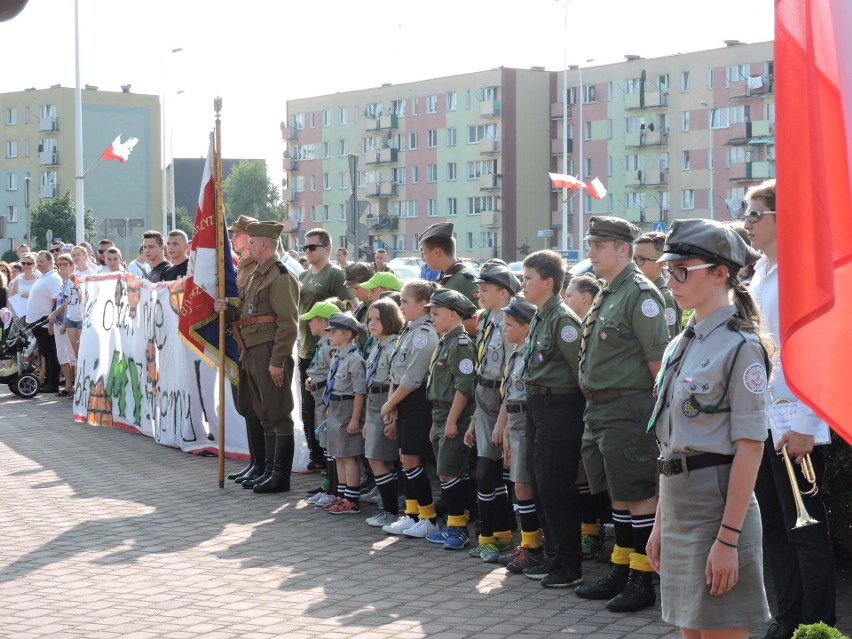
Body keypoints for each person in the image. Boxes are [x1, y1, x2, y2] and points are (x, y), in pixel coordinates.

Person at [646, 217, 772, 637]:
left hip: (717, 508)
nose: (671, 281)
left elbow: (751, 448)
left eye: (682, 271)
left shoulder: (741, 346)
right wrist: (661, 522)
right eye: (668, 271)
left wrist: (729, 539)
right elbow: (671, 446)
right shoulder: (681, 342)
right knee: (691, 632)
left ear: (721, 273)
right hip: (679, 504)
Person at [743, 180, 837, 639]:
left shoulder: (803, 272)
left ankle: (818, 626)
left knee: (808, 534)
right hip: (762, 422)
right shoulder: (758, 273)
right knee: (776, 531)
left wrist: (807, 424)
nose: (748, 222)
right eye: (746, 213)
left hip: (795, 423)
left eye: (756, 213)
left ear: (785, 218)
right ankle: (789, 619)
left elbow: (826, 354)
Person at [574, 216, 670, 612]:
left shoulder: (639, 293)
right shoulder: (608, 291)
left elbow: (657, 363)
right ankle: (622, 565)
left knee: (640, 495)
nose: (591, 252)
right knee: (619, 493)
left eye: (599, 246)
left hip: (629, 407)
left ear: (623, 249)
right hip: (602, 408)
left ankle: (642, 578)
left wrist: (660, 418)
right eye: (591, 245)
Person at [516, 250, 587, 588]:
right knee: (542, 484)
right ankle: (553, 555)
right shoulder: (542, 316)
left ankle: (568, 564)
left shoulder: (563, 320)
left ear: (548, 282)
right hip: (538, 405)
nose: (523, 284)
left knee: (557, 487)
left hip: (560, 409)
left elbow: (580, 372)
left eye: (529, 278)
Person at [217, 221, 300, 493]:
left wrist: (277, 361)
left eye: (252, 242)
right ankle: (266, 470)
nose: (247, 245)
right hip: (251, 349)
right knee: (264, 414)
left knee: (278, 413)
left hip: (268, 351)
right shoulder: (256, 275)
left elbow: (288, 323)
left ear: (264, 244)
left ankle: (280, 476)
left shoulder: (280, 276)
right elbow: (246, 313)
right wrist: (226, 309)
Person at [464, 261, 520, 562]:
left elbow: (513, 374)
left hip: (503, 401)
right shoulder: (486, 320)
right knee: (489, 470)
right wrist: (474, 418)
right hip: (484, 398)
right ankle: (498, 533)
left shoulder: (511, 322)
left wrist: (506, 419)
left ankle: (491, 535)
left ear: (503, 293)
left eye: (485, 290)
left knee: (489, 472)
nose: (479, 294)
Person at [380, 279, 441, 537]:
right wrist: (393, 405)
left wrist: (389, 403)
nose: (401, 305)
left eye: (405, 301)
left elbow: (413, 378)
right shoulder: (410, 330)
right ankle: (413, 514)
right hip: (403, 399)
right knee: (406, 459)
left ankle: (428, 518)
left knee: (412, 459)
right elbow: (397, 371)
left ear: (423, 304)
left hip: (418, 401)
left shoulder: (424, 335)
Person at [423, 288, 478, 550]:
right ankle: (460, 520)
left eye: (436, 313)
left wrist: (453, 421)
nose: (432, 318)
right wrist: (438, 422)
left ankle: (458, 529)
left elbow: (464, 387)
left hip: (455, 414)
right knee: (454, 472)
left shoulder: (461, 344)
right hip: (441, 412)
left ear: (454, 315)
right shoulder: (446, 341)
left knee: (447, 471)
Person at [298, 228, 356, 472]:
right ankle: (317, 455)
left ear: (327, 249)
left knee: (323, 407)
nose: (308, 251)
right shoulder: (303, 275)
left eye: (313, 247)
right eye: (305, 247)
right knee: (308, 408)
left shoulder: (334, 274)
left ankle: (328, 460)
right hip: (305, 346)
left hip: (325, 349)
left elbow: (352, 304)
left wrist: (340, 338)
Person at [491, 296, 542, 573]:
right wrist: (503, 425)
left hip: (526, 420)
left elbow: (525, 396)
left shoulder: (532, 352)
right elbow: (509, 394)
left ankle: (534, 547)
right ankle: (528, 543)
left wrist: (510, 425)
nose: (504, 329)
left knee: (524, 484)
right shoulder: (516, 352)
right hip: (515, 418)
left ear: (526, 326)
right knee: (518, 484)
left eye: (509, 324)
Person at [563, 271, 612, 560]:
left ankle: (605, 535)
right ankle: (590, 531)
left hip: (596, 407)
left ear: (584, 297)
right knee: (585, 474)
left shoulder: (588, 328)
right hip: (582, 411)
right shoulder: (581, 328)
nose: (565, 299)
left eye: (569, 294)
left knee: (607, 478)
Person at [222, 215, 268, 488]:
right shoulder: (242, 267)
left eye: (237, 234)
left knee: (258, 407)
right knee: (246, 407)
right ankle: (255, 461)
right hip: (240, 342)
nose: (233, 239)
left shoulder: (257, 269)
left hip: (253, 343)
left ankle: (263, 464)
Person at [362, 298, 405, 527]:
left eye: (378, 319)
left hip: (386, 402)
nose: (372, 323)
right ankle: (389, 507)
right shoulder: (376, 345)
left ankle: (390, 510)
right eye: (370, 319)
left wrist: (392, 416)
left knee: (377, 459)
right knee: (378, 459)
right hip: (374, 401)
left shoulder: (395, 345)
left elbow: (396, 382)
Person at [321, 312, 367, 514]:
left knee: (348, 455)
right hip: (336, 408)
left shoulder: (354, 359)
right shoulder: (337, 356)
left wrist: (355, 419)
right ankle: (341, 495)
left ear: (348, 334)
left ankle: (352, 498)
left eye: (334, 331)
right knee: (338, 454)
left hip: (348, 408)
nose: (330, 335)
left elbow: (359, 391)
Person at [302, 301, 344, 507]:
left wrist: (316, 382)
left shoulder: (330, 346)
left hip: (327, 401)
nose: (309, 324)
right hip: (320, 398)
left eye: (312, 320)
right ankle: (330, 485)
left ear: (324, 322)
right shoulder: (322, 344)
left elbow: (332, 374)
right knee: (326, 444)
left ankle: (334, 488)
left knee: (331, 445)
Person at [418, 222, 479, 333]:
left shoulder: (463, 280)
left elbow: (479, 320)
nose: (424, 258)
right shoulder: (444, 277)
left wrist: (448, 327)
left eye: (425, 253)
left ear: (436, 252)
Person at [635, 231, 683, 338]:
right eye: (633, 259)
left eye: (641, 259)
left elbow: (669, 341)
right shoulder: (644, 291)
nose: (635, 264)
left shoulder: (665, 298)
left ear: (661, 264)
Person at [26, 251, 62, 393]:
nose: (38, 263)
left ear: (50, 261)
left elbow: (57, 301)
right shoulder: (43, 277)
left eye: (41, 261)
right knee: (46, 354)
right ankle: (48, 381)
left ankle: (53, 384)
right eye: (38, 261)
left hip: (47, 324)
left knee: (51, 354)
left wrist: (52, 323)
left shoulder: (53, 278)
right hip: (39, 324)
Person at [48, 253, 75, 397]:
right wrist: (52, 320)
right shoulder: (62, 282)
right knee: (62, 355)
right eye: (60, 265)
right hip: (58, 323)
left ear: (71, 266)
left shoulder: (72, 281)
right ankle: (68, 385)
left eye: (65, 264)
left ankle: (75, 384)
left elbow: (68, 303)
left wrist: (56, 315)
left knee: (72, 355)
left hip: (68, 322)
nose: (62, 267)